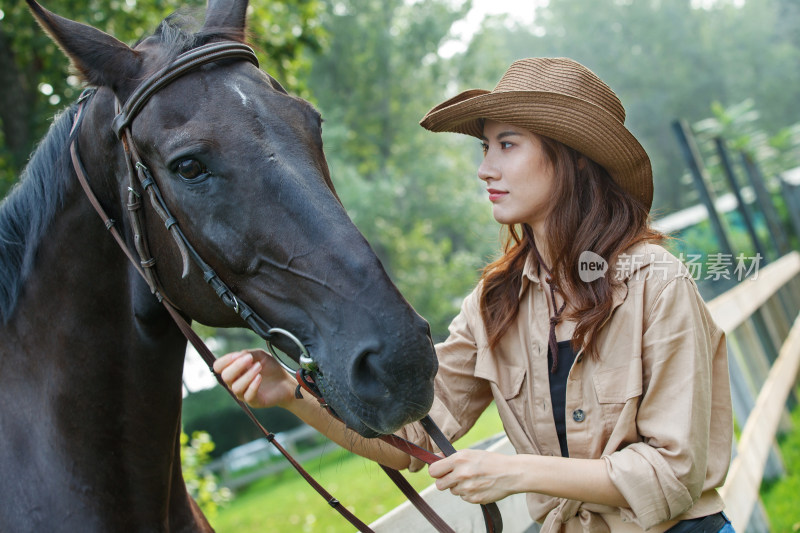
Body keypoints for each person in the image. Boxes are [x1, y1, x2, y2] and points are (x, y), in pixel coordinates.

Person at [214, 57, 734, 532]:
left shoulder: (653, 280)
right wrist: (291, 392)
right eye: (486, 147)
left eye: (507, 145)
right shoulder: (495, 303)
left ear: (572, 157)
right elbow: (413, 438)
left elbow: (672, 473)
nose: (486, 168)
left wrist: (515, 472)